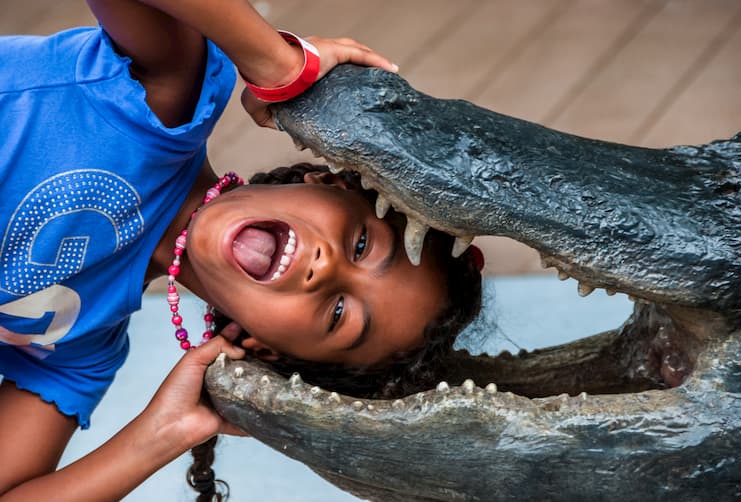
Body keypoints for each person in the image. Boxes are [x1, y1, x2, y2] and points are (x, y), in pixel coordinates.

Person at [0, 1, 482, 500]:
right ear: (327, 183)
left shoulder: (75, 348)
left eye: (339, 314)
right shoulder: (160, 95)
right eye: (361, 244)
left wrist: (165, 432)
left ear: (262, 347)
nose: (327, 269)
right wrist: (277, 62)